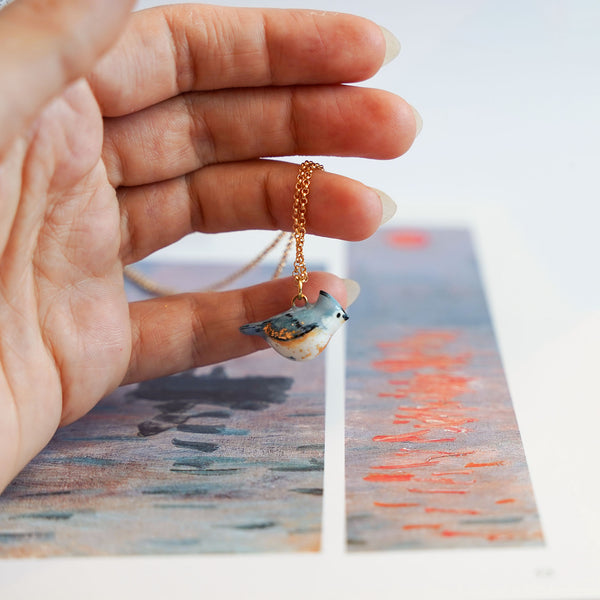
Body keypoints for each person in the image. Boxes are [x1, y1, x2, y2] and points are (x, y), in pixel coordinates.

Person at [0, 0, 421, 493]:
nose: (337, 316)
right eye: (336, 315)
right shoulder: (306, 321)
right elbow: (280, 329)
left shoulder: (310, 320)